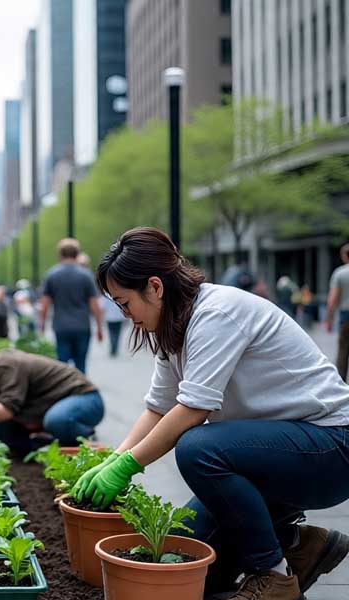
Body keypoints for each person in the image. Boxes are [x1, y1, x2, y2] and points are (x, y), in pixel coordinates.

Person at [70, 227, 349, 600]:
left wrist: (127, 468)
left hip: (330, 447)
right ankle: (298, 544)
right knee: (186, 555)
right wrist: (114, 458)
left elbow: (192, 410)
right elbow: (158, 408)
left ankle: (274, 575)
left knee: (197, 447)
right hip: (277, 452)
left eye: (124, 303)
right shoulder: (174, 328)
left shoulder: (217, 313)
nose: (125, 314)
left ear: (154, 287)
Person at [0, 348, 104, 456]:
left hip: (85, 399)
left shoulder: (4, 365)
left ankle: (84, 437)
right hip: (57, 403)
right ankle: (44, 446)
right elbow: (0, 410)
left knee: (56, 420)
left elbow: (7, 409)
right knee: (0, 429)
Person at [39, 238, 103, 374]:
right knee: (81, 365)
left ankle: (64, 391)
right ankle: (81, 390)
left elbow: (44, 305)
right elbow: (95, 305)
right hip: (82, 326)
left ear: (60, 254)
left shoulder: (51, 275)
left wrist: (42, 325)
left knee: (62, 366)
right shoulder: (86, 275)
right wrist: (99, 327)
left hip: (61, 326)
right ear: (77, 253)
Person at [327, 243, 349, 381]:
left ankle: (340, 384)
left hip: (346, 316)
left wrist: (329, 318)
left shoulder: (340, 273)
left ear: (345, 256)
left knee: (343, 352)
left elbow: (333, 299)